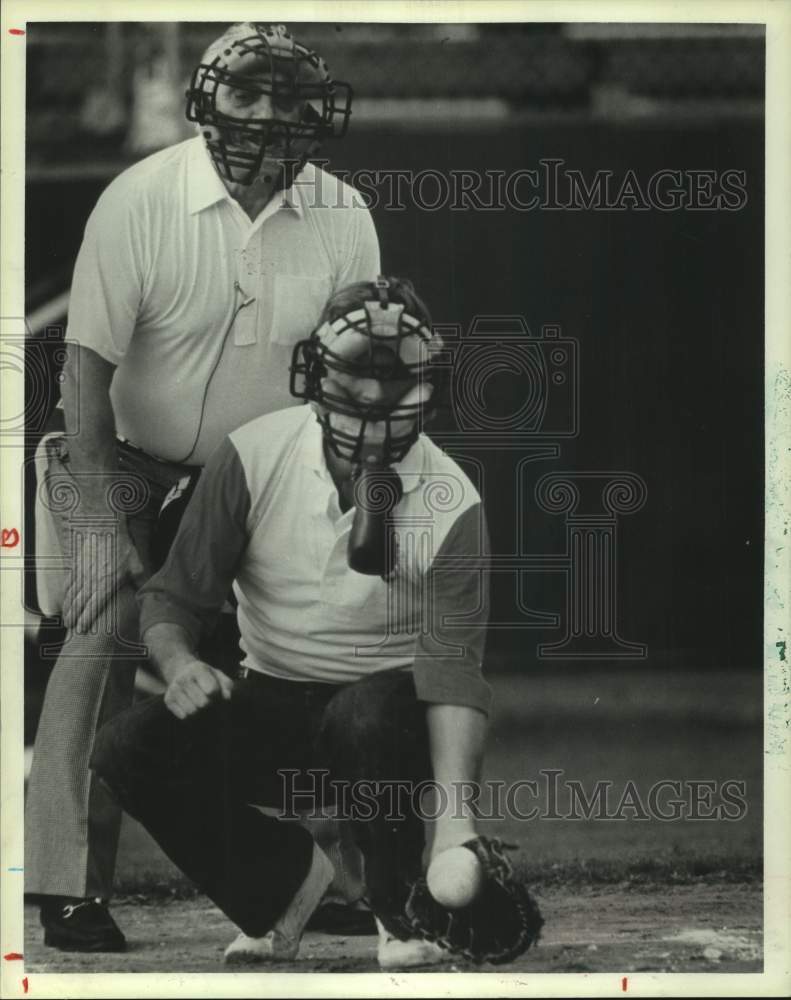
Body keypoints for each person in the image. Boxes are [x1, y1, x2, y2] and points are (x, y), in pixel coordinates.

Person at [26, 22, 380, 952]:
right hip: (122, 461)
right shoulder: (138, 202)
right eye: (247, 93)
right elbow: (82, 381)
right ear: (207, 99)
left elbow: (355, 373)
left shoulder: (344, 212)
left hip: (261, 475)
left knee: (317, 635)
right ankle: (65, 886)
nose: (267, 114)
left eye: (285, 96)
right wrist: (106, 528)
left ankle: (333, 871)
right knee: (102, 628)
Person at [90, 277, 492, 968]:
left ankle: (399, 912)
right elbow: (174, 598)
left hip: (386, 726)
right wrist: (181, 664)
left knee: (366, 713)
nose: (373, 405)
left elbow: (452, 673)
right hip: (271, 700)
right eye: (358, 382)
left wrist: (455, 820)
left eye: (392, 385)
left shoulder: (453, 501)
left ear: (424, 390)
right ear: (318, 380)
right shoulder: (252, 456)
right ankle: (278, 891)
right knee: (125, 747)